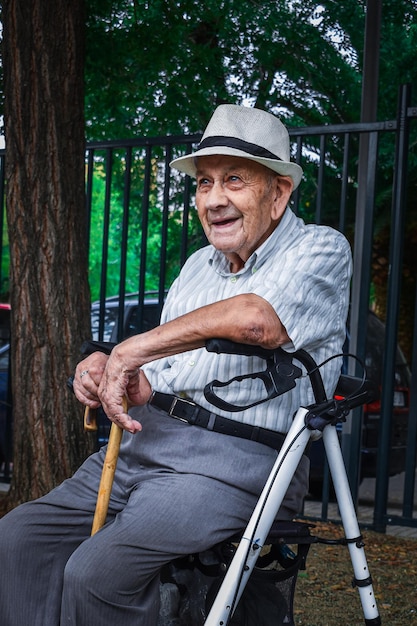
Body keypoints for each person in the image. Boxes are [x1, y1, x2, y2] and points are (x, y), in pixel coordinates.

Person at [0, 104, 352, 626]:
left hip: (239, 462)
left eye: (233, 180)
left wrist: (132, 349)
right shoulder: (195, 267)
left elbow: (258, 320)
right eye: (204, 183)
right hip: (151, 443)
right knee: (17, 539)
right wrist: (116, 375)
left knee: (99, 572)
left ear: (278, 194)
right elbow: (160, 376)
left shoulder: (320, 247)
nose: (214, 199)